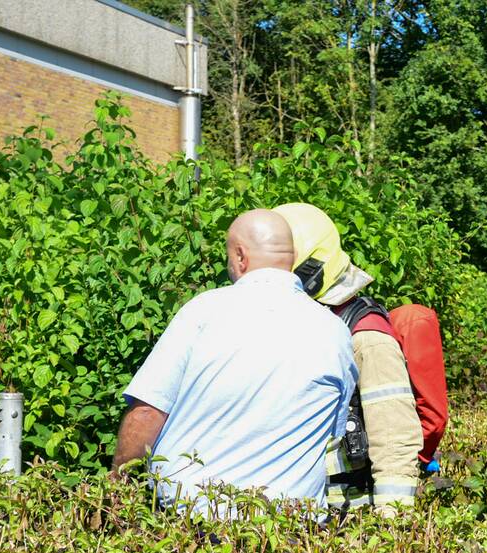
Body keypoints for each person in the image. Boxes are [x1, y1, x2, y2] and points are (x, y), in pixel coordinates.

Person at [112, 208, 357, 516]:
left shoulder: (203, 312)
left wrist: (116, 486)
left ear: (241, 257)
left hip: (193, 527)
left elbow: (148, 411)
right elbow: (332, 435)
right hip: (292, 533)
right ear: (292, 256)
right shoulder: (335, 332)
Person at [271, 202, 423, 515]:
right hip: (298, 508)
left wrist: (392, 522)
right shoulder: (295, 322)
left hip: (349, 515)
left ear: (310, 271)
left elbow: (394, 438)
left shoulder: (366, 335)